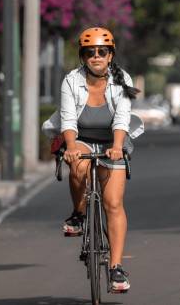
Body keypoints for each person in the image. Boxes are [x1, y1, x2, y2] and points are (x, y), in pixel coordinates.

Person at [60, 27, 140, 292]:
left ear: (110, 55)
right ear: (82, 57)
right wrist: (71, 147)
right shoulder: (71, 80)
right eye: (90, 52)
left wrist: (117, 147)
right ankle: (79, 214)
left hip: (112, 140)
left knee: (113, 203)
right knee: (78, 165)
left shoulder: (121, 79)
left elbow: (122, 118)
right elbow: (68, 118)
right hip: (81, 136)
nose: (96, 57)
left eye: (102, 52)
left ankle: (116, 268)